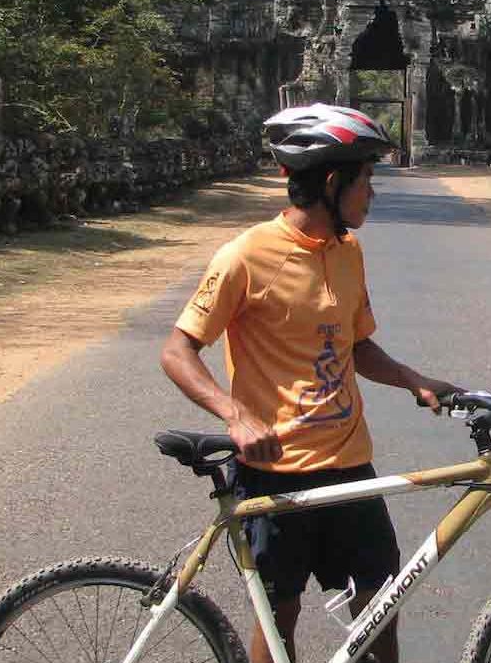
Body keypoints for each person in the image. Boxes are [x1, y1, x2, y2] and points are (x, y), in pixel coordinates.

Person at [160, 103, 459, 663]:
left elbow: (356, 346)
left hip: (351, 470)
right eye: (366, 179)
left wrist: (414, 380)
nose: (373, 192)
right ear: (330, 182)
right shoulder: (246, 257)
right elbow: (178, 351)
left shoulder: (348, 253)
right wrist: (236, 416)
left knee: (379, 619)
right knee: (278, 624)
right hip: (276, 476)